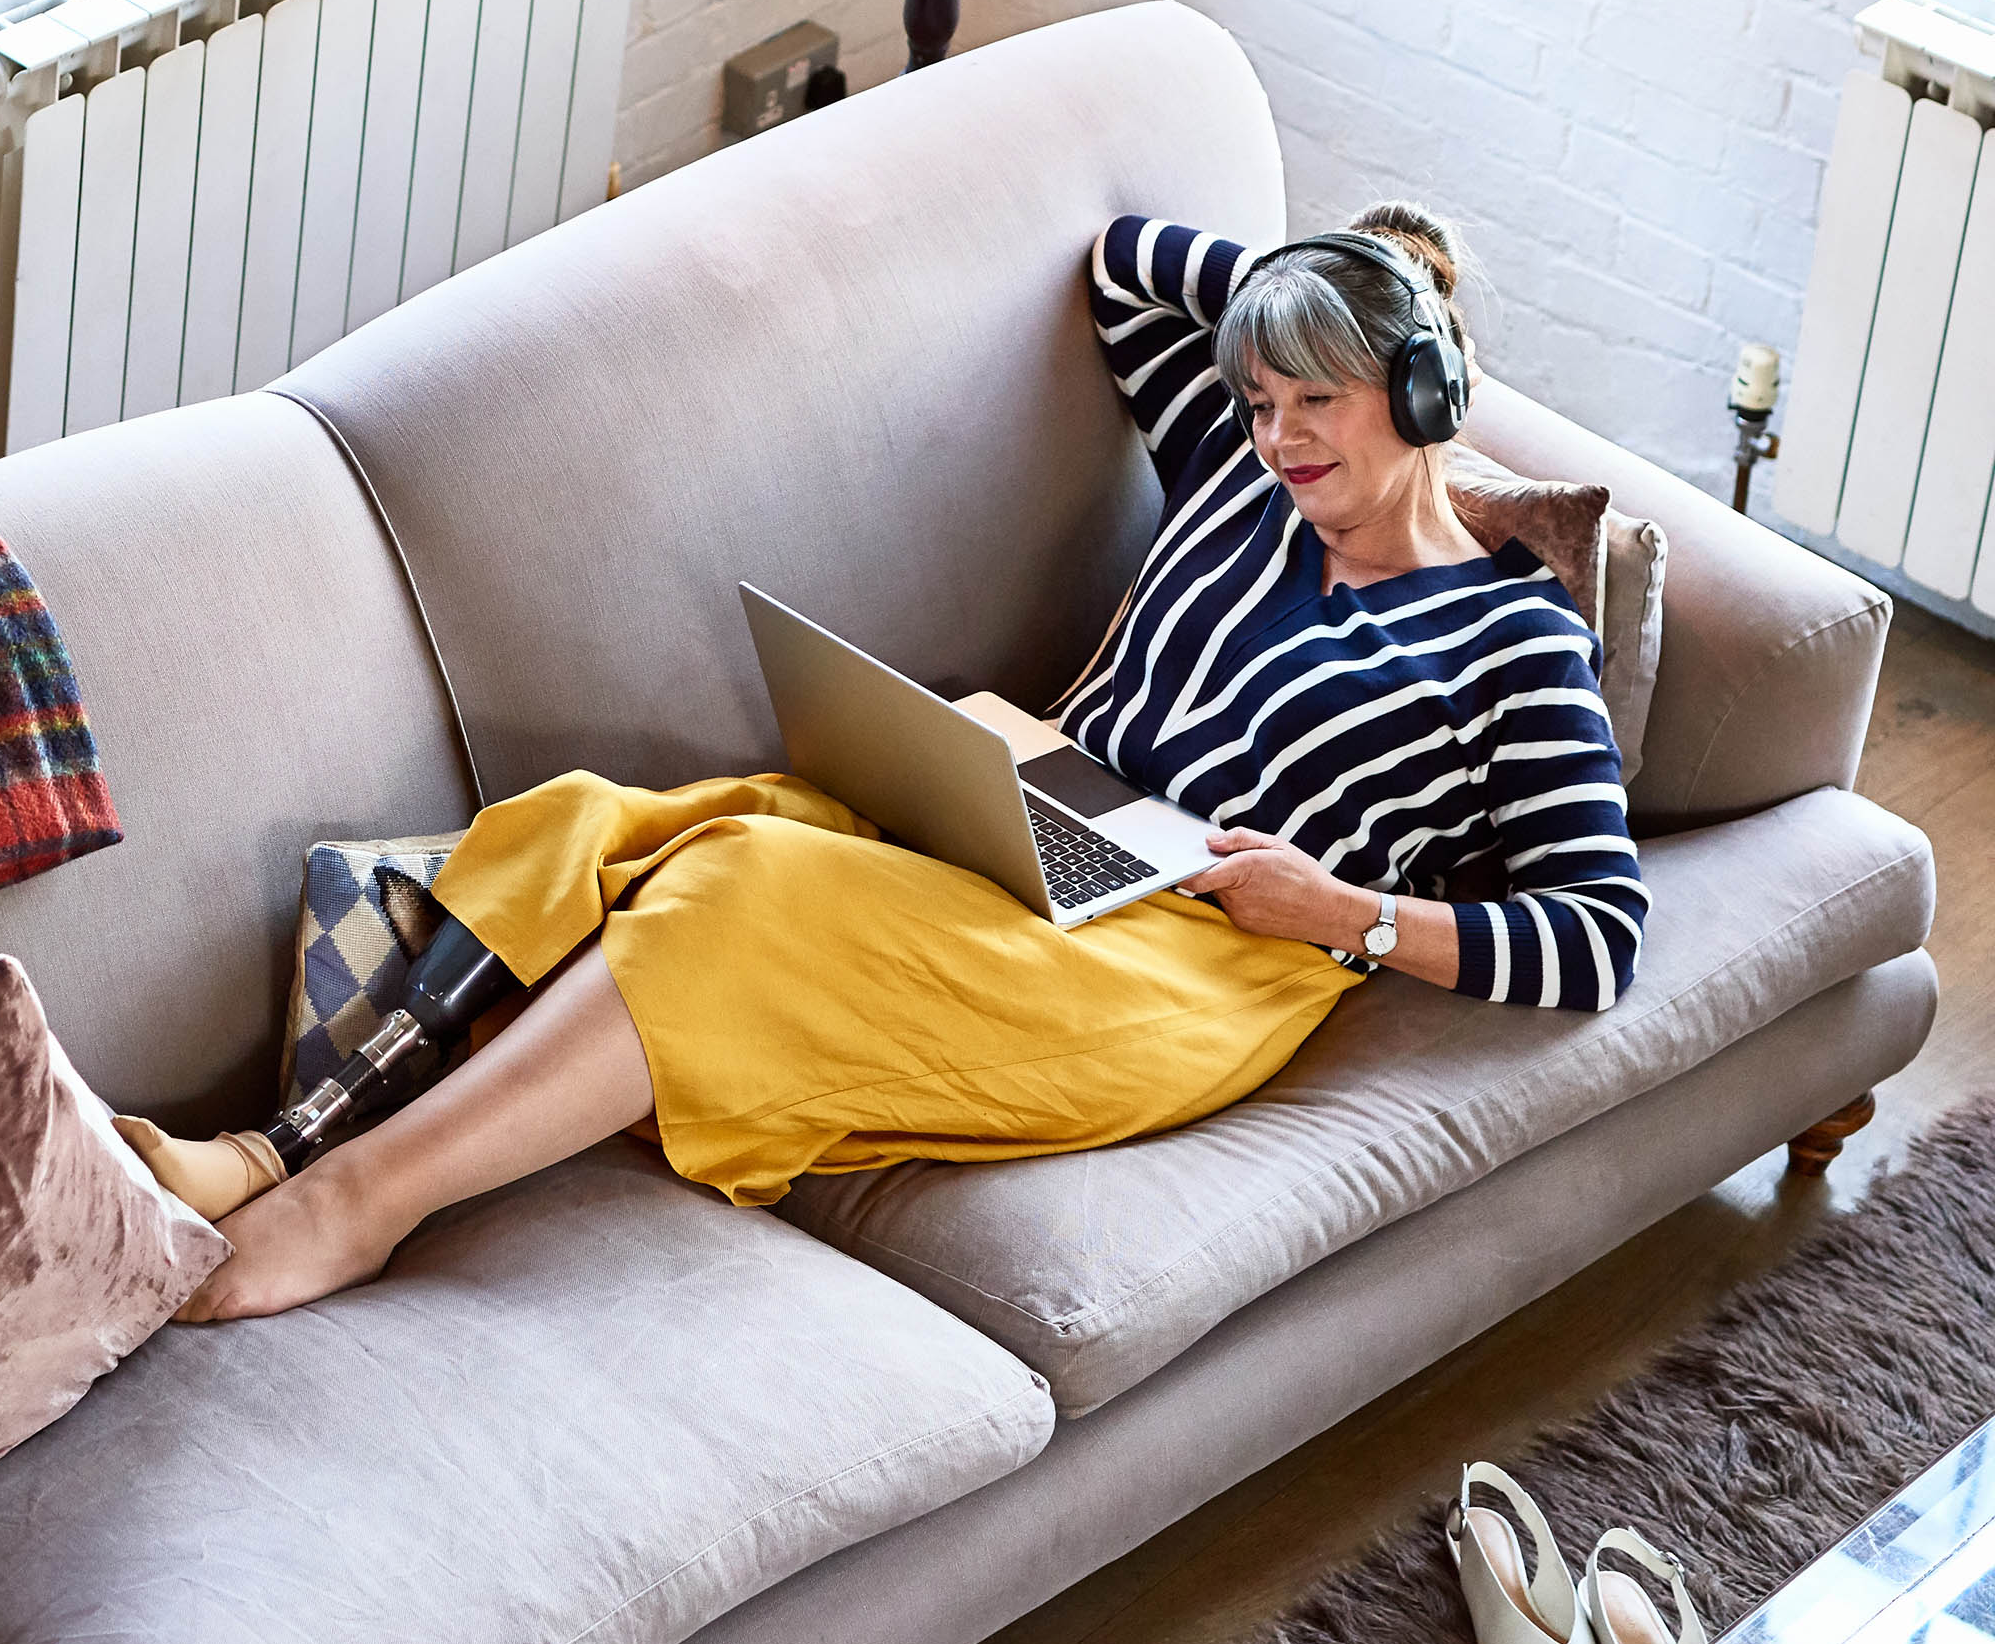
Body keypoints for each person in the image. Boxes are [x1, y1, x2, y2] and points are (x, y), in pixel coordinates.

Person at [129, 203, 1647, 1324]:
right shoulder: (1242, 486)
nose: (1281, 435)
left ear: (1427, 395)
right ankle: (276, 1150)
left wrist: (1350, 915)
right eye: (1262, 398)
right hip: (1061, 823)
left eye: (1321, 397)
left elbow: (1599, 937)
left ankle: (349, 1206)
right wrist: (1294, 297)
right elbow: (1122, 265)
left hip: (1198, 958)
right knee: (596, 825)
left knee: (744, 897)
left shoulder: (1511, 637)